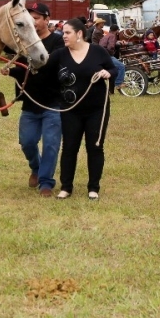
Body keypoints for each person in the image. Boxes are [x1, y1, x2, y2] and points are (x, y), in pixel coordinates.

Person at [47, 18, 117, 201]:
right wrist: (16, 71)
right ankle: (66, 187)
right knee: (69, 147)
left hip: (97, 109)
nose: (64, 36)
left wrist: (107, 73)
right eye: (63, 32)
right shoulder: (60, 54)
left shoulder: (98, 52)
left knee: (95, 147)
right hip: (70, 110)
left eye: (68, 32)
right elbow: (42, 71)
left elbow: (113, 68)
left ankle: (93, 187)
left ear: (79, 34)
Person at [0, 2, 64, 198]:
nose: (34, 22)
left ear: (47, 19)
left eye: (37, 18)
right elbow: (22, 67)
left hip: (52, 103)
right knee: (27, 142)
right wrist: (10, 71)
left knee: (51, 144)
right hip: (29, 103)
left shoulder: (57, 42)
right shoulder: (24, 42)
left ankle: (46, 182)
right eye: (31, 18)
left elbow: (49, 67)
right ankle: (36, 168)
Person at [96, 24, 126, 91]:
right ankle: (118, 83)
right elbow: (110, 47)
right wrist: (113, 51)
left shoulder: (107, 35)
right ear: (117, 30)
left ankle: (111, 89)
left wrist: (119, 42)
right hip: (107, 55)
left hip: (101, 55)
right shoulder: (113, 36)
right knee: (121, 66)